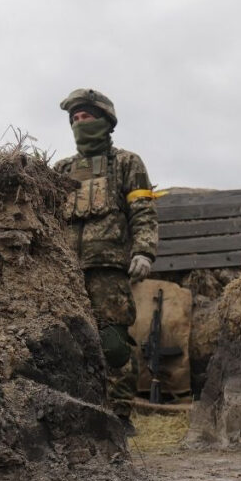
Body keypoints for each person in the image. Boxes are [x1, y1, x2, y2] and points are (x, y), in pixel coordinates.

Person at [54, 88, 159, 434]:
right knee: (67, 344)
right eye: (75, 119)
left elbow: (143, 213)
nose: (80, 123)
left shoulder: (128, 163)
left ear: (106, 121)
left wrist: (144, 251)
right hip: (66, 273)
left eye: (87, 117)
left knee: (113, 345)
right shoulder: (61, 170)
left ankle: (120, 417)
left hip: (109, 271)